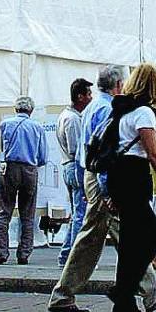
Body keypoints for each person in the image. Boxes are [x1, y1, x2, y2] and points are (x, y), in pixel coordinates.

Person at [48, 65, 156, 312]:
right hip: (107, 177)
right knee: (123, 236)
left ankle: (138, 293)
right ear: (118, 84)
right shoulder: (111, 108)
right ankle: (134, 292)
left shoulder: (99, 106)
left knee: (121, 236)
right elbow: (110, 152)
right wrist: (105, 190)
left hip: (97, 175)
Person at [104, 63, 156, 312]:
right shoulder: (143, 113)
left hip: (119, 175)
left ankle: (124, 301)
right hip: (134, 175)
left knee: (130, 241)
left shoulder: (121, 111)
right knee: (151, 235)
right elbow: (153, 154)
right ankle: (123, 291)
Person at [0, 96, 47, 265]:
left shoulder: (5, 124)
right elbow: (43, 156)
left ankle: (1, 252)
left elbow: (3, 147)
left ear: (16, 109)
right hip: (30, 170)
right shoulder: (37, 127)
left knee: (4, 211)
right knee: (27, 213)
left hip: (9, 167)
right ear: (31, 110)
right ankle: (24, 253)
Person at [55, 78, 93, 265]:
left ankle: (67, 253)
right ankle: (73, 256)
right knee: (80, 213)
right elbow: (76, 149)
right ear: (80, 96)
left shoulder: (66, 115)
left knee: (77, 212)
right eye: (88, 94)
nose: (90, 97)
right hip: (75, 166)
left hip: (69, 166)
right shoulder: (72, 119)